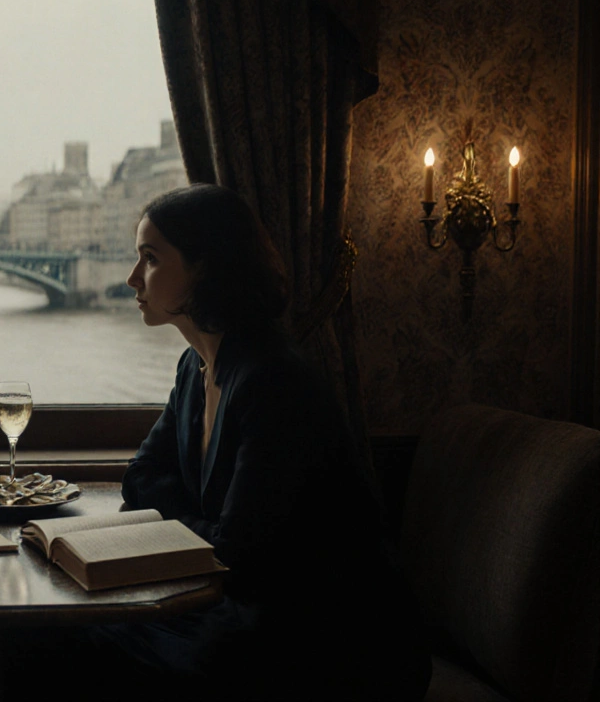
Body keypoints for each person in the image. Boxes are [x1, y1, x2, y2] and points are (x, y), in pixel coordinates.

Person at [95, 184, 430, 701]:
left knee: (89, 647)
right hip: (255, 613)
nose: (133, 278)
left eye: (150, 259)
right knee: (87, 637)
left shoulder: (272, 380)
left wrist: (177, 523)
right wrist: (200, 526)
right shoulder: (195, 366)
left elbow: (240, 555)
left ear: (205, 268)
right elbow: (140, 480)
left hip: (335, 641)